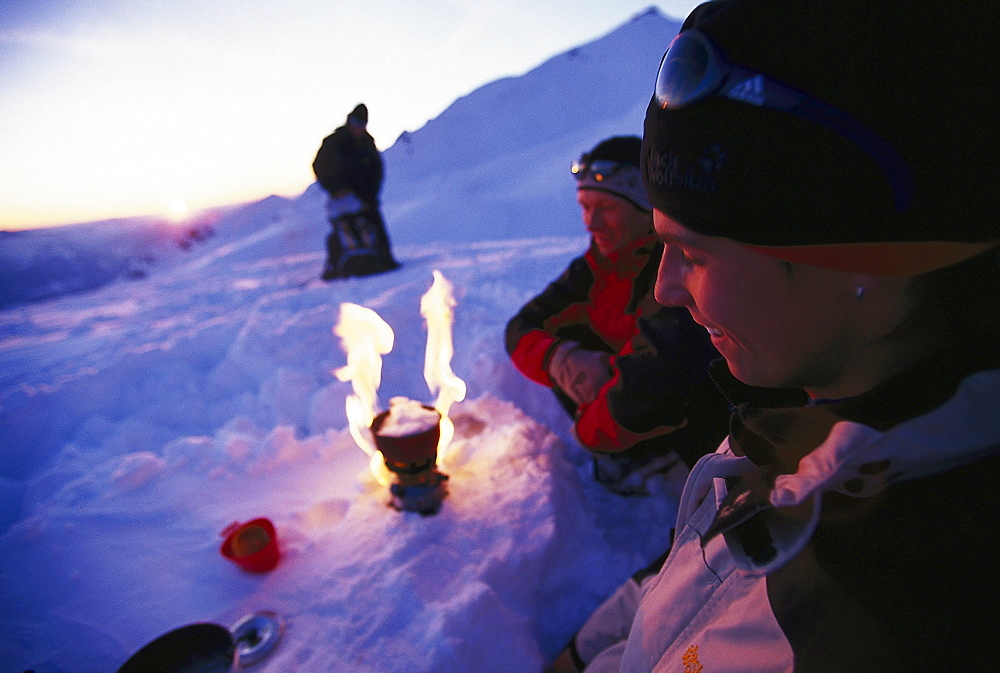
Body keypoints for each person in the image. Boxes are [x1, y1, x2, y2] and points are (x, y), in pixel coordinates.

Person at [558, 0, 1000, 671]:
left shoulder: (889, 613)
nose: (665, 289)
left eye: (696, 253)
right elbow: (699, 573)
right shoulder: (802, 427)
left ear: (864, 257)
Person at [506, 136, 728, 495]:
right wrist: (560, 359)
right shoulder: (594, 267)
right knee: (567, 338)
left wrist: (589, 433)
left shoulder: (677, 265)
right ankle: (636, 453)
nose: (592, 223)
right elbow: (522, 327)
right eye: (584, 207)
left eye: (606, 208)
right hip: (621, 404)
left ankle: (699, 480)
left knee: (689, 380)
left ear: (645, 205)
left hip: (686, 416)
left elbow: (663, 368)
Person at [312, 103, 399, 279]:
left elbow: (376, 170)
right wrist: (335, 189)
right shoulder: (333, 142)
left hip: (364, 196)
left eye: (362, 125)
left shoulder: (367, 142)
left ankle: (384, 260)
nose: (359, 129)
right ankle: (336, 267)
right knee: (341, 229)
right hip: (340, 197)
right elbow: (318, 166)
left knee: (375, 224)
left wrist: (370, 195)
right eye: (356, 124)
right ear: (349, 121)